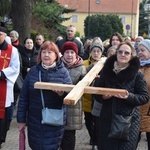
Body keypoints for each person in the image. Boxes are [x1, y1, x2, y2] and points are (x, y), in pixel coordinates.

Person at [93, 41, 149, 150]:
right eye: (120, 52)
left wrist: (129, 96)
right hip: (107, 121)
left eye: (126, 53)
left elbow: (144, 97)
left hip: (128, 123)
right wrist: (103, 96)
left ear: (131, 56)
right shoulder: (106, 70)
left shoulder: (137, 74)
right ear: (116, 53)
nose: (123, 54)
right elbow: (96, 92)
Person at [17, 41, 72, 150]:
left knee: (50, 147)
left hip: (54, 120)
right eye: (44, 52)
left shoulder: (63, 72)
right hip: (35, 120)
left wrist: (61, 94)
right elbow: (24, 97)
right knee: (35, 146)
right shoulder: (33, 72)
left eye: (50, 52)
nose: (46, 55)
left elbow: (70, 95)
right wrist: (21, 120)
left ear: (56, 55)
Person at [60, 41, 87, 150]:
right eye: (67, 52)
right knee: (58, 135)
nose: (70, 55)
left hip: (73, 108)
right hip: (58, 105)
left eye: (72, 52)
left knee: (69, 136)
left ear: (76, 54)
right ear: (63, 54)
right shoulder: (57, 65)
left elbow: (86, 84)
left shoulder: (81, 68)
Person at [0, 26, 20, 149]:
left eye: (0, 34)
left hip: (4, 85)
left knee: (2, 115)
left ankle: (0, 138)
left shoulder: (12, 50)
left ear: (5, 36)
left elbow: (15, 67)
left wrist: (2, 73)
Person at [83, 41, 105, 150]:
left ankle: (96, 142)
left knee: (98, 122)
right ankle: (93, 138)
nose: (96, 53)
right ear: (90, 52)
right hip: (87, 98)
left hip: (99, 99)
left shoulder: (105, 64)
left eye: (98, 51)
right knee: (88, 121)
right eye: (94, 51)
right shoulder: (85, 63)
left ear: (101, 53)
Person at [138, 39, 150, 149]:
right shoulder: (135, 67)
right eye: (138, 50)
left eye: (143, 50)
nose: (139, 52)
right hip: (135, 112)